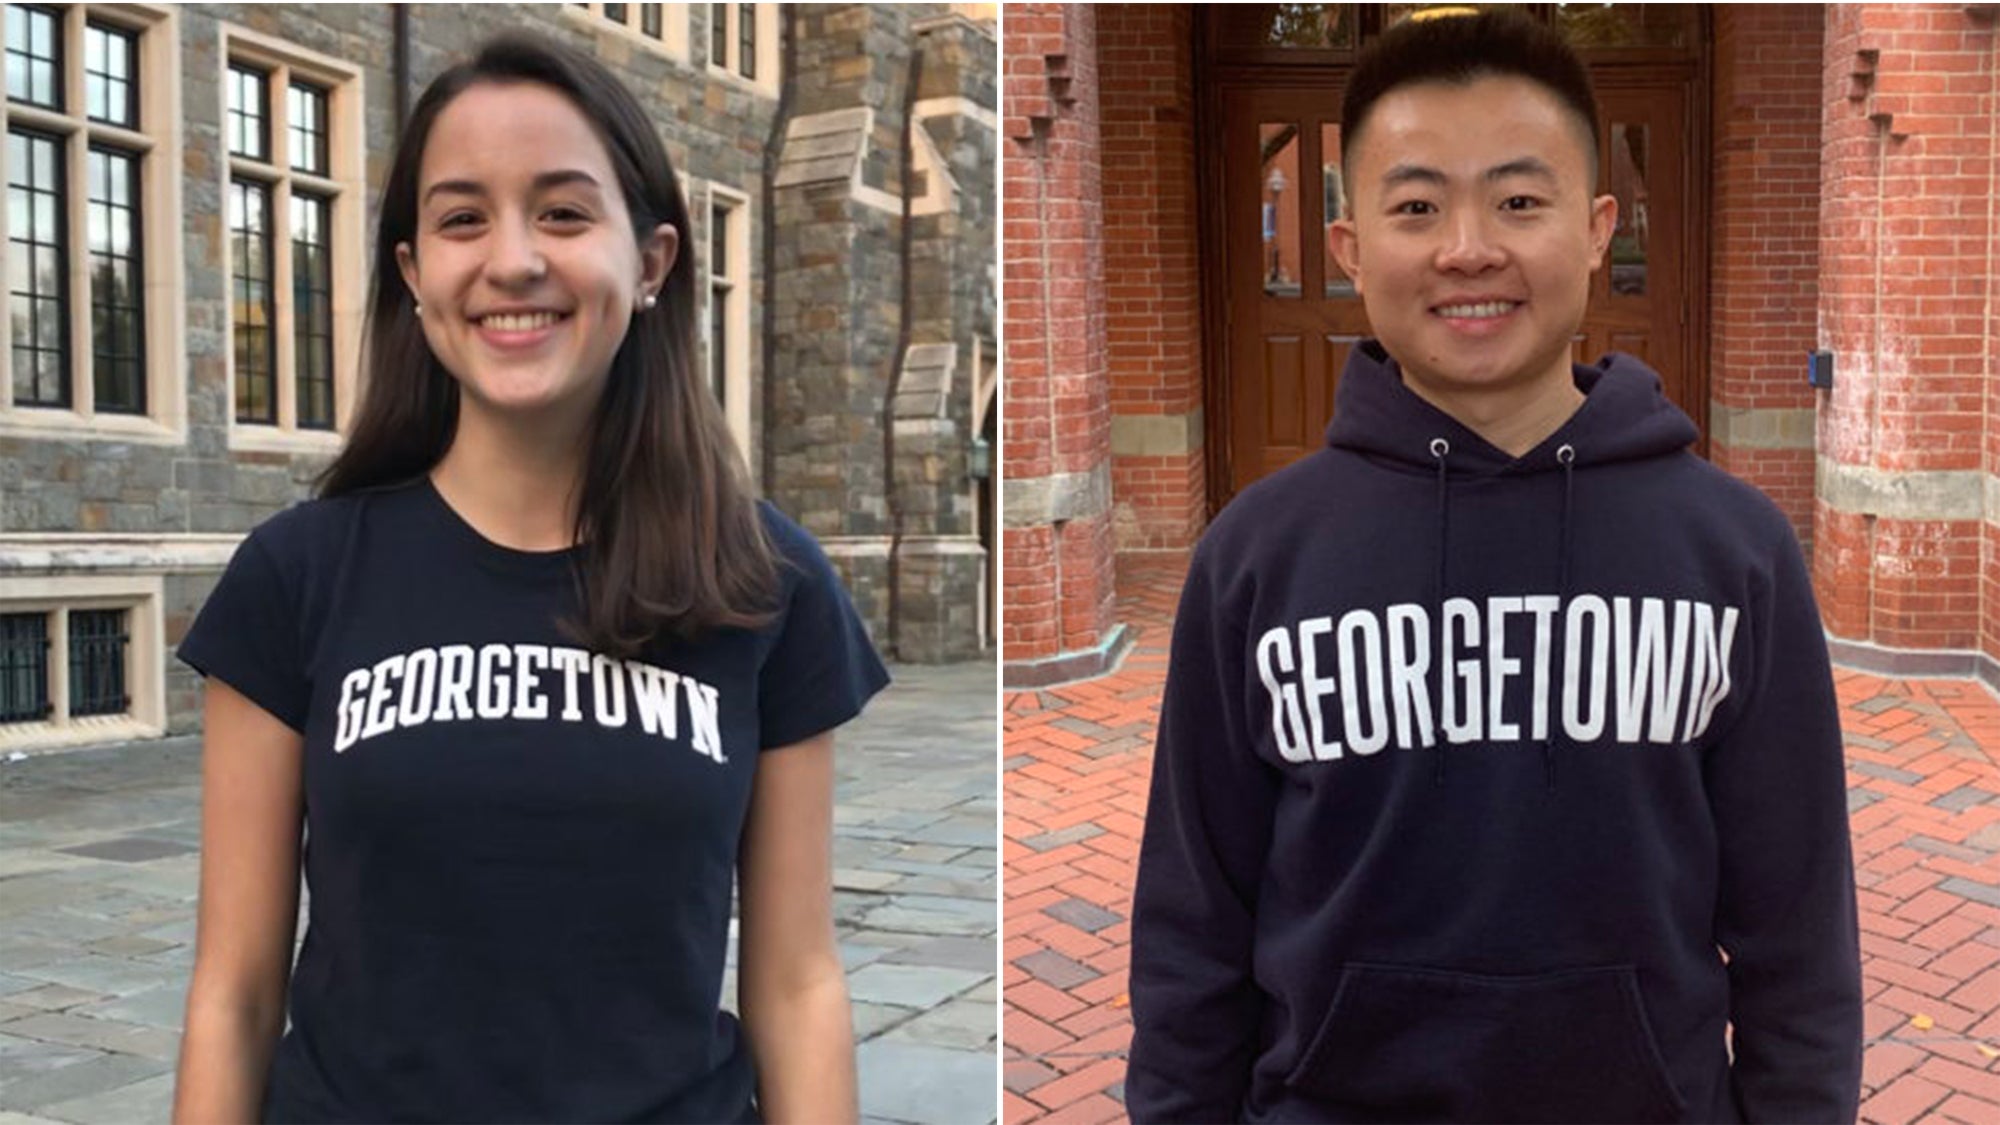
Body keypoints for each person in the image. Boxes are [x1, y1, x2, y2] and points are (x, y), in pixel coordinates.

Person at [1126, 11, 1859, 1123]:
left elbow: (1794, 927)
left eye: (1518, 201)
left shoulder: (1730, 552)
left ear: (1598, 225)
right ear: (1349, 246)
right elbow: (1193, 919)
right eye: (1415, 206)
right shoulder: (1257, 556)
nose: (1467, 248)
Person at [171, 35, 887, 1124]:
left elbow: (795, 980)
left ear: (650, 263)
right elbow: (233, 991)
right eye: (463, 218)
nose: (511, 260)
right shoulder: (296, 577)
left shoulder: (766, 581)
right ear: (414, 274)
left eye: (561, 211)